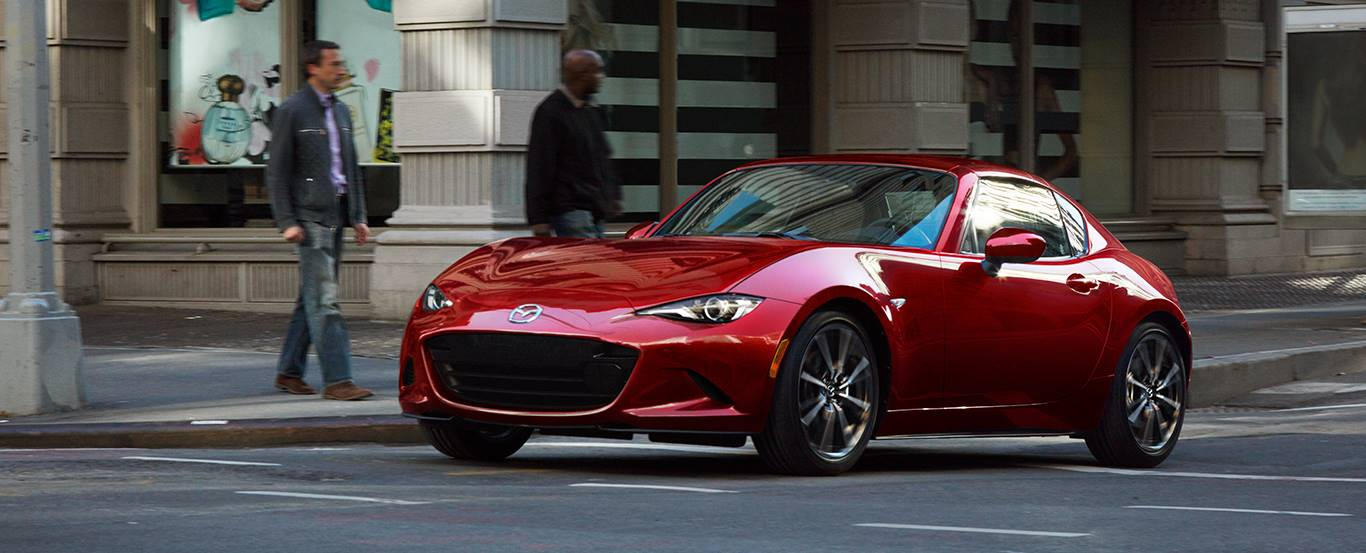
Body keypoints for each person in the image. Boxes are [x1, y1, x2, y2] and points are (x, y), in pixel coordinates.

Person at [267, 40, 373, 401]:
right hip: (309, 219)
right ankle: (339, 380)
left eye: (341, 63)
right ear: (314, 68)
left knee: (311, 298)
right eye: (333, 64)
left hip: (338, 215)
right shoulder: (292, 110)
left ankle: (288, 372)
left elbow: (351, 168)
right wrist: (286, 221)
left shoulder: (342, 111)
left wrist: (358, 215)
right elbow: (277, 172)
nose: (340, 69)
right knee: (325, 300)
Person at [525, 49, 621, 238]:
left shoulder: (590, 109)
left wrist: (612, 195)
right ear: (582, 75)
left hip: (593, 209)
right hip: (570, 209)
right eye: (597, 71)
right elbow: (540, 166)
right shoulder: (551, 112)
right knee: (587, 263)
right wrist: (539, 220)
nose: (602, 77)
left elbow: (603, 157)